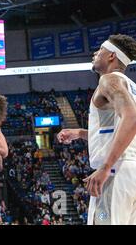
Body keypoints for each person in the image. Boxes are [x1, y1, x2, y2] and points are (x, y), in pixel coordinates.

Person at [57, 34, 136, 225]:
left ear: (111, 56)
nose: (95, 53)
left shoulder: (109, 80)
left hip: (117, 172)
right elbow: (121, 127)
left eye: (100, 49)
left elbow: (132, 118)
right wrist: (81, 133)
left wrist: (106, 167)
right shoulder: (131, 85)